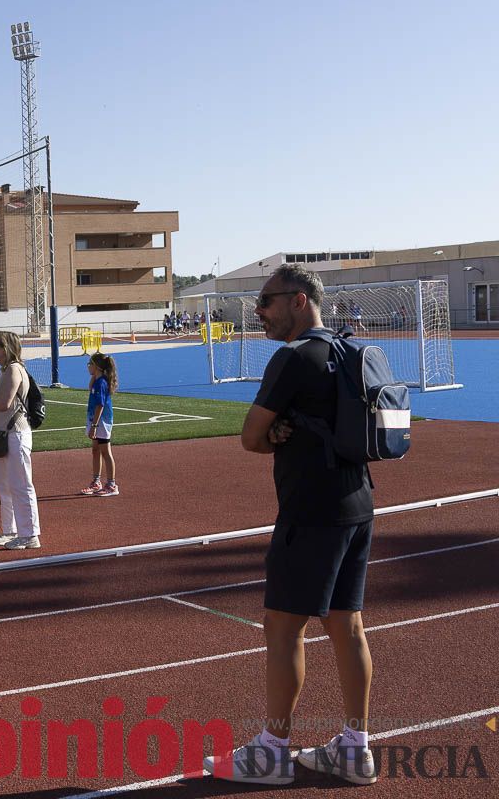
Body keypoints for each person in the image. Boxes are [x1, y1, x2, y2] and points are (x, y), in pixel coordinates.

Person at [205, 265, 377, 785]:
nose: (259, 311)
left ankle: (273, 752)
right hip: (358, 503)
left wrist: (277, 430)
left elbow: (251, 436)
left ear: (299, 300)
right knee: (347, 625)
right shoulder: (348, 350)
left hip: (311, 509)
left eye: (267, 301)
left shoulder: (294, 358)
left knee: (282, 628)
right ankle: (355, 746)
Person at [0, 331, 41, 549]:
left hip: (16, 433)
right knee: (5, 487)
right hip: (2, 435)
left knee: (22, 485)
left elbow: (3, 404)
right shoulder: (1, 371)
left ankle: (30, 534)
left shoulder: (15, 369)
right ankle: (11, 530)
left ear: (5, 347)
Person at [79, 353, 119, 497]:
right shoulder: (97, 381)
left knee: (105, 452)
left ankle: (111, 484)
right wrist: (94, 374)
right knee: (95, 450)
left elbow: (100, 405)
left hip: (101, 421)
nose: (88, 366)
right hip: (94, 420)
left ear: (96, 366)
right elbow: (90, 387)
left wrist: (95, 426)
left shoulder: (101, 383)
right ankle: (96, 482)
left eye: (90, 364)